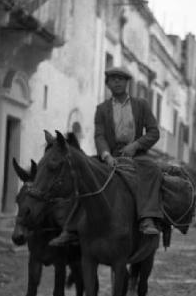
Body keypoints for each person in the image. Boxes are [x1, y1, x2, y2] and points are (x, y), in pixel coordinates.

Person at [50, 66, 162, 246]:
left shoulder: (141, 105)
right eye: (113, 79)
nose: (117, 82)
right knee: (82, 174)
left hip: (136, 155)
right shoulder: (102, 109)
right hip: (110, 155)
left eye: (121, 78)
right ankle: (71, 228)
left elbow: (154, 132)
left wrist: (136, 145)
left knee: (152, 169)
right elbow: (99, 135)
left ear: (127, 83)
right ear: (108, 83)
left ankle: (147, 218)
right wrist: (106, 155)